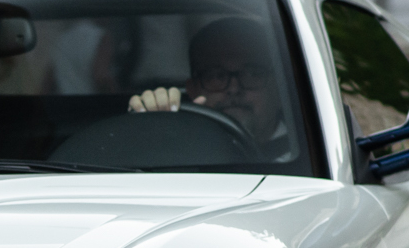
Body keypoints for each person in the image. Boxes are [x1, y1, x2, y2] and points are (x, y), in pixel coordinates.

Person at [126, 17, 295, 164]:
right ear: (193, 90)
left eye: (252, 74)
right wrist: (149, 129)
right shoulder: (180, 148)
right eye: (215, 76)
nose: (234, 89)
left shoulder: (311, 154)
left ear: (278, 89)